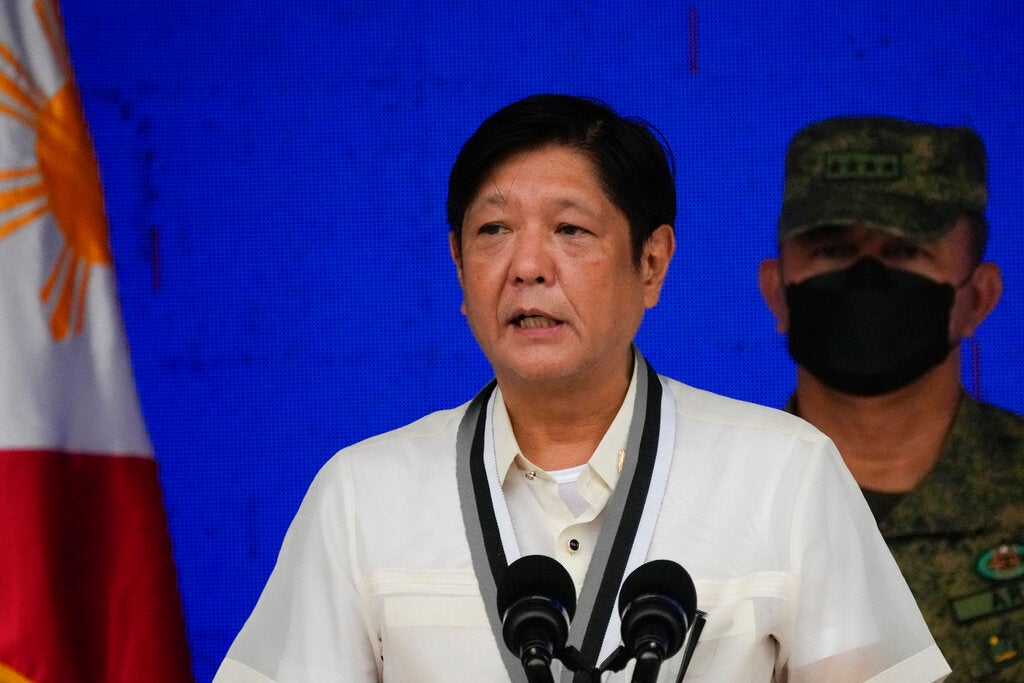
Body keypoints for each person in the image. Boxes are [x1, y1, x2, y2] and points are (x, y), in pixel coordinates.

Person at [215, 95, 949, 682]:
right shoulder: (361, 494)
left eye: (570, 229)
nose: (528, 264)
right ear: (458, 266)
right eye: (494, 229)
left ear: (653, 263)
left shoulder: (785, 472)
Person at [758, 116, 1024, 681]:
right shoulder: (705, 506)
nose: (866, 280)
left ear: (978, 298)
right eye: (832, 249)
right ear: (776, 292)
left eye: (905, 251)